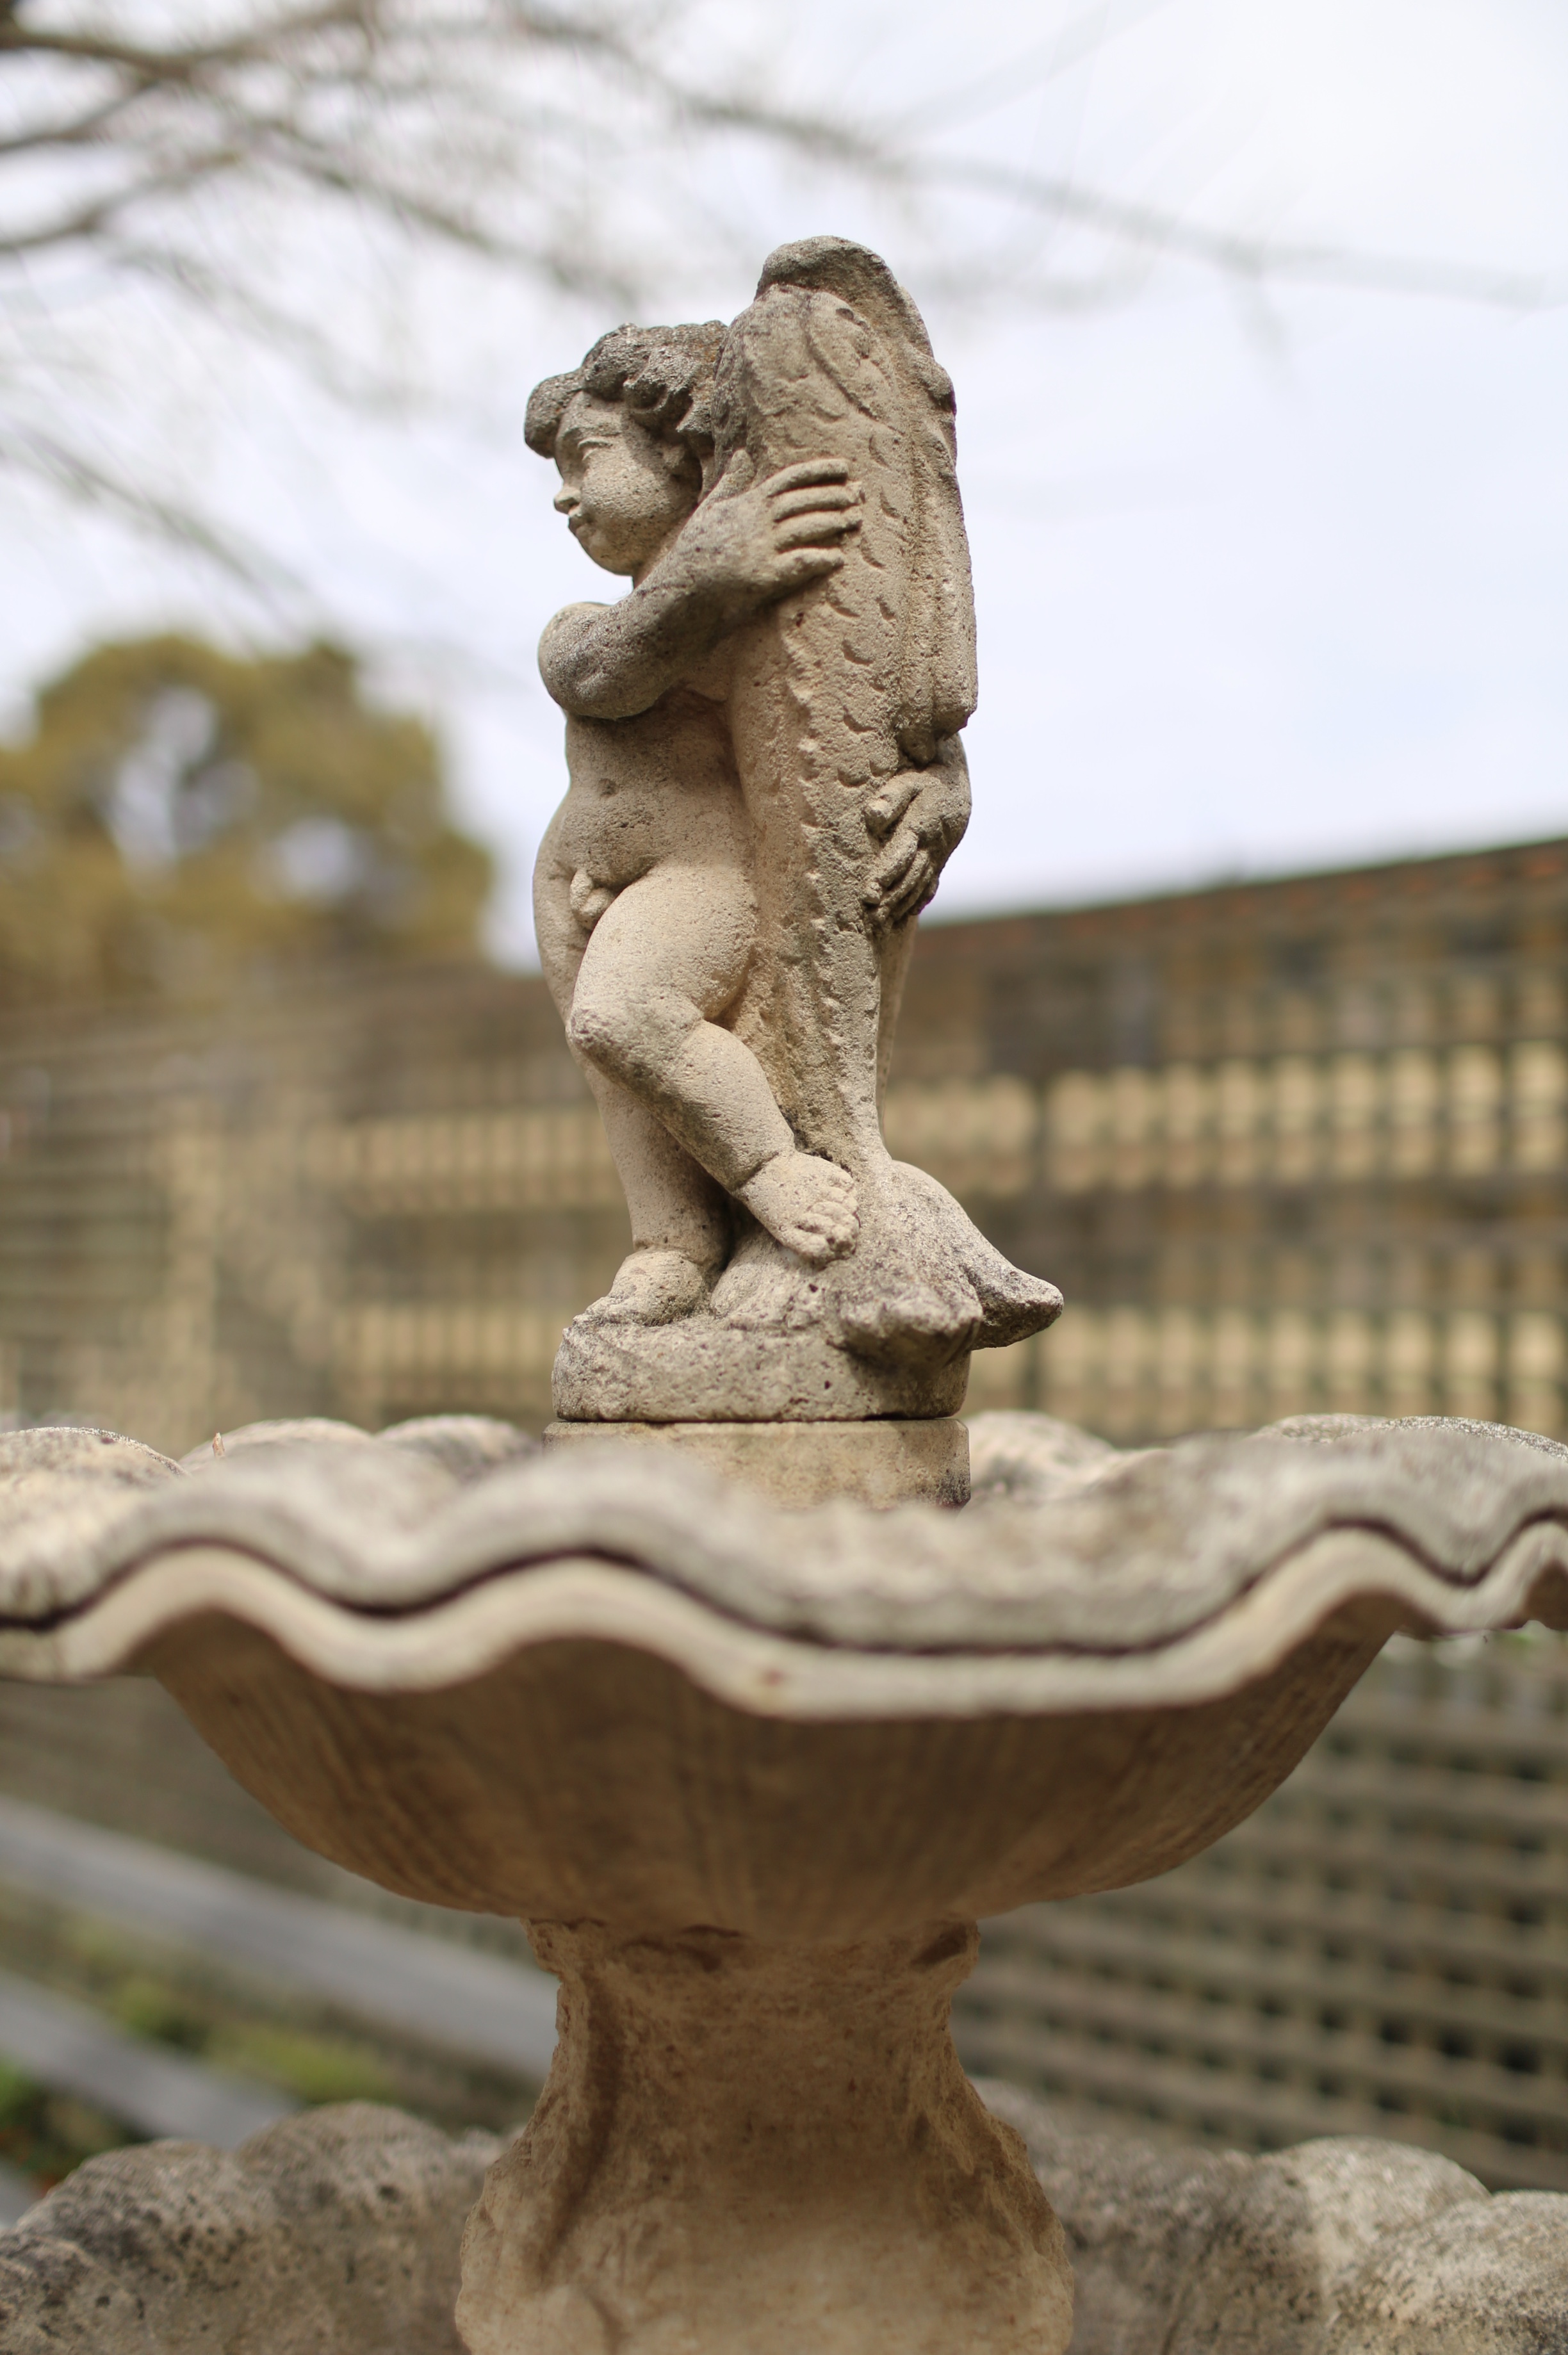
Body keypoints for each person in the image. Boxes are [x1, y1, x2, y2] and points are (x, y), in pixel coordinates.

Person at [527, 325, 865, 1326]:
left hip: (705, 872)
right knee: (620, 1086)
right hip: (572, 890)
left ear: (678, 455)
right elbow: (602, 675)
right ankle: (669, 1242)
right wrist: (701, 578)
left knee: (624, 1015)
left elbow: (851, 729)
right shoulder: (587, 626)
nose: (562, 496)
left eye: (585, 459)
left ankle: (772, 1171)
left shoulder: (768, 627)